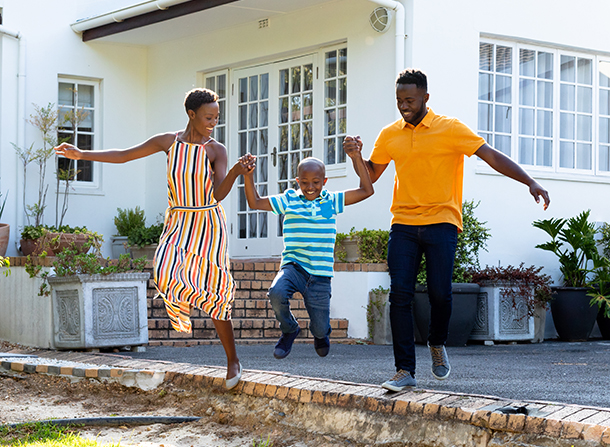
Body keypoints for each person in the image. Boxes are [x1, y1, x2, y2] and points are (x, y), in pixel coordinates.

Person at [343, 68, 551, 392]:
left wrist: (530, 181)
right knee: (400, 294)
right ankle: (404, 370)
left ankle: (436, 342)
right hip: (404, 223)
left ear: (426, 97)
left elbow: (491, 156)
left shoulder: (450, 128)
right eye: (399, 100)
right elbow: (370, 176)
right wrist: (357, 157)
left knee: (440, 293)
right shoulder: (390, 134)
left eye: (410, 100)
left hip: (442, 221)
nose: (403, 106)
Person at [55, 88, 249, 390]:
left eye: (217, 118)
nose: (213, 122)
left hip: (209, 223)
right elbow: (124, 155)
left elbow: (218, 194)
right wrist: (83, 154)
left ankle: (232, 360)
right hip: (179, 219)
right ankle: (187, 300)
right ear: (192, 114)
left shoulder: (216, 150)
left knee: (216, 292)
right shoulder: (168, 142)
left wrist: (236, 170)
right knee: (164, 267)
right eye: (209, 117)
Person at [240, 150, 373, 359]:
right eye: (304, 182)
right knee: (276, 293)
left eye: (316, 182)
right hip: (294, 267)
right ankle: (290, 329)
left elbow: (366, 191)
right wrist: (248, 175)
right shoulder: (289, 200)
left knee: (320, 328)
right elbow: (255, 203)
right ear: (297, 181)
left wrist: (356, 158)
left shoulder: (332, 200)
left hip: (320, 275)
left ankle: (321, 335)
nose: (310, 187)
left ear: (325, 181)